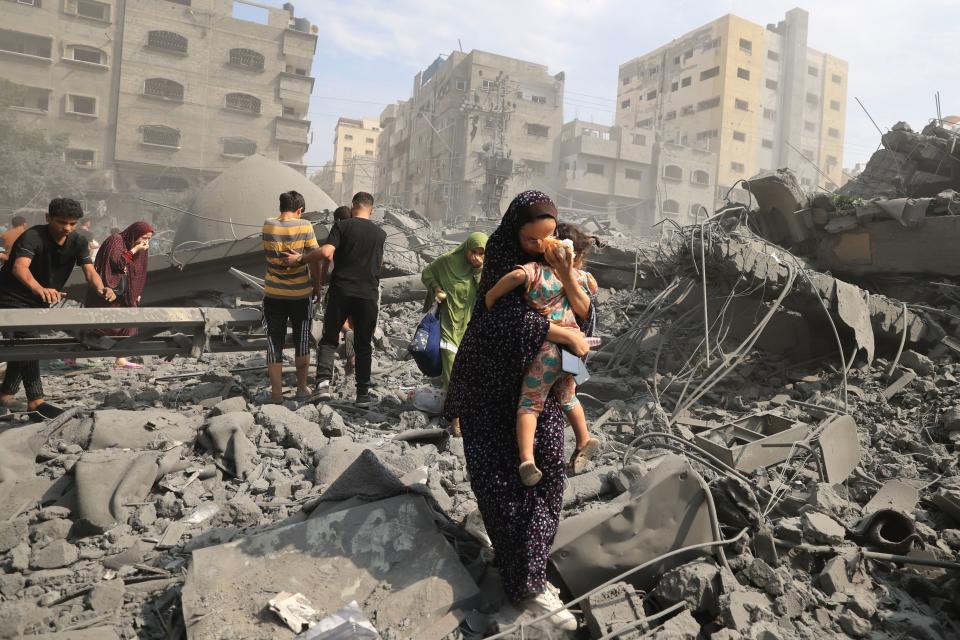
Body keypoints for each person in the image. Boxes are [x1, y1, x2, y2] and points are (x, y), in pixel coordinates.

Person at [445, 191, 592, 630]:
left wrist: (567, 276)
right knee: (502, 487)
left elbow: (586, 320)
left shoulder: (565, 266)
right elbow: (493, 318)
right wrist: (558, 332)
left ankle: (530, 567)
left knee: (548, 479)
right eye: (532, 239)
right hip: (492, 397)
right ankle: (527, 585)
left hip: (541, 392)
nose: (542, 246)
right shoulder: (502, 260)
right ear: (515, 234)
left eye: (548, 237)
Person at [484, 223, 600, 486]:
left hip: (547, 350)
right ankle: (583, 438)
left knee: (530, 404)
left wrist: (491, 296)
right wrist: (571, 269)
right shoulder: (581, 277)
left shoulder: (535, 272)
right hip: (574, 350)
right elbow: (591, 290)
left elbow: (515, 278)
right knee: (568, 396)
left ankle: (526, 459)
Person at [0, 198, 116, 420]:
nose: (67, 228)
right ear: (48, 218)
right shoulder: (33, 235)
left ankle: (5, 394)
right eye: (62, 222)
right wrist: (39, 288)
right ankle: (36, 401)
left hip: (39, 298)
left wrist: (103, 288)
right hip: (11, 296)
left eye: (72, 223)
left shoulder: (78, 241)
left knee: (23, 344)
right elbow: (19, 267)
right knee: (30, 340)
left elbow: (89, 271)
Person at [283, 192, 385, 408]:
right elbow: (379, 264)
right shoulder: (380, 234)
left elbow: (327, 252)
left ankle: (322, 386)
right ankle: (363, 395)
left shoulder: (343, 226)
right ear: (371, 210)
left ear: (353, 205)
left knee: (329, 339)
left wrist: (300, 259)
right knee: (363, 344)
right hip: (368, 294)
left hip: (342, 291)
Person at [420, 232, 487, 434]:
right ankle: (456, 419)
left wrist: (479, 269)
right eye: (473, 252)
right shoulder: (448, 261)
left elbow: (487, 292)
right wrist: (436, 288)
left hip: (470, 327)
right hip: (448, 325)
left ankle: (468, 412)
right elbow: (427, 273)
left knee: (470, 371)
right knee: (452, 371)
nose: (476, 256)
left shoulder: (485, 269)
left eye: (481, 253)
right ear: (466, 249)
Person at [260, 191, 320, 403]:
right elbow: (314, 258)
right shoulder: (304, 225)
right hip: (300, 294)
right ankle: (302, 388)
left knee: (273, 342)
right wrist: (317, 286)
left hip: (273, 293)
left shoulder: (268, 224)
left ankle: (276, 394)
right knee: (301, 341)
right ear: (300, 210)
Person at [83, 221, 155, 369]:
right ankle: (72, 355)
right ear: (135, 233)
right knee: (97, 325)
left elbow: (140, 272)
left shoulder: (141, 248)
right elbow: (117, 263)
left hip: (125, 293)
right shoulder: (116, 240)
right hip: (106, 290)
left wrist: (137, 292)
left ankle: (121, 358)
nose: (145, 242)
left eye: (149, 239)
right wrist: (134, 250)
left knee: (130, 322)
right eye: (143, 237)